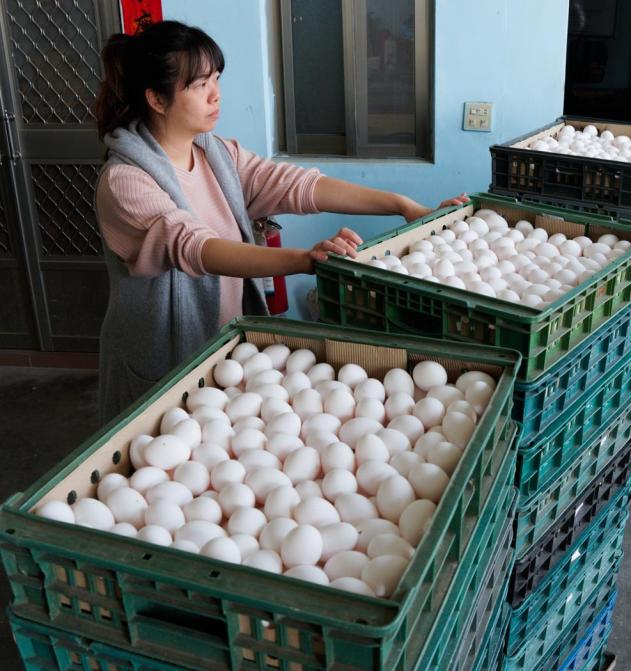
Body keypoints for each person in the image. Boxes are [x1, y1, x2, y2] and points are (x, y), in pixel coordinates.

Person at [93, 20, 466, 422]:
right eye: (200, 85)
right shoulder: (125, 182)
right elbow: (196, 247)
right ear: (157, 99)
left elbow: (296, 186)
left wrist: (403, 205)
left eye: (216, 79)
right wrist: (304, 259)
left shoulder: (216, 155)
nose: (216, 95)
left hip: (221, 350)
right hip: (163, 355)